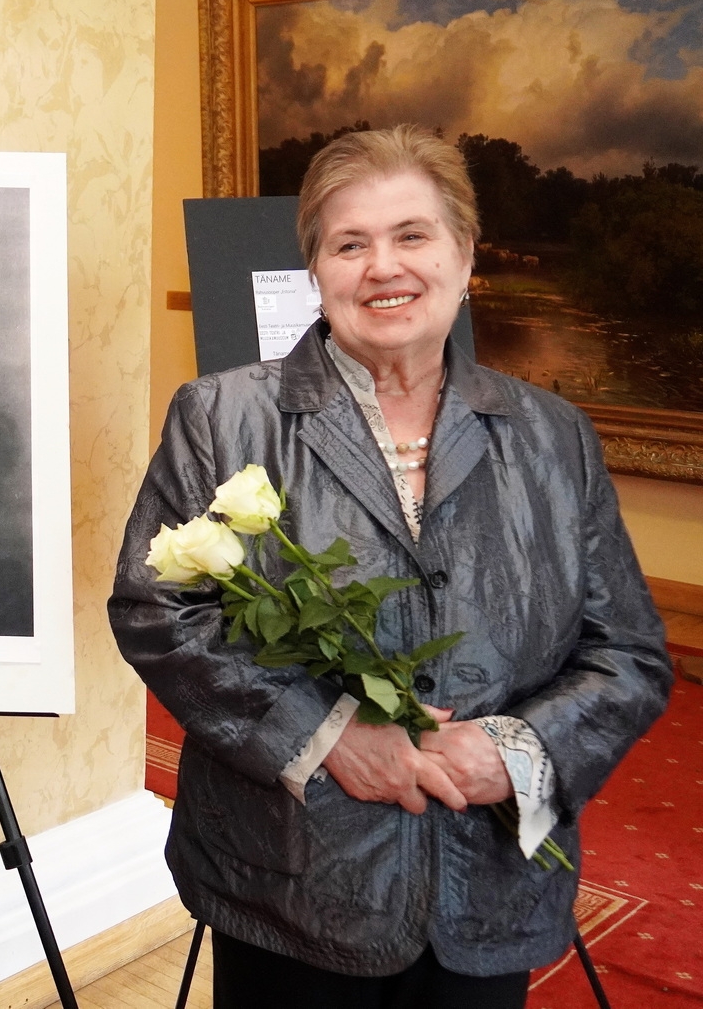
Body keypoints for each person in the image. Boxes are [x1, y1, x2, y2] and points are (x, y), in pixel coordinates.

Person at [109, 125, 671, 1008]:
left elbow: (627, 652)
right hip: (294, 879)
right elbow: (157, 611)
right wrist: (328, 736)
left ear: (465, 255)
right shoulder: (222, 416)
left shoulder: (553, 435)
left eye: (412, 235)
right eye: (350, 244)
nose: (383, 267)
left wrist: (516, 753)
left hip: (489, 882)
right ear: (315, 269)